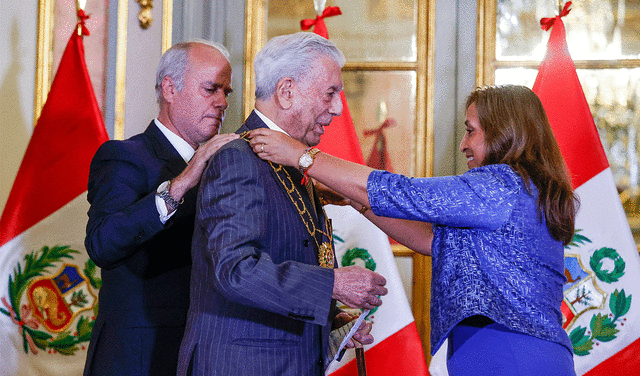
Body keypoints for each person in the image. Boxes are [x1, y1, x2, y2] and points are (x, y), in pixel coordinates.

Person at [249, 84, 578, 375]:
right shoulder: (518, 189)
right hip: (504, 354)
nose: (463, 143)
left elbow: (404, 192)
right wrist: (354, 199)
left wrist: (300, 155)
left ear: (502, 133)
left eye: (471, 131)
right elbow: (431, 240)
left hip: (511, 357)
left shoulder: (502, 184)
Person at [177, 32, 388, 376]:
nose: (337, 108)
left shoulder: (290, 159)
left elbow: (288, 257)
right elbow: (234, 270)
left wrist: (333, 321)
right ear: (287, 92)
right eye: (331, 93)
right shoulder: (238, 158)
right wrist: (333, 284)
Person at [83, 40, 239, 376]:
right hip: (139, 358)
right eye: (211, 88)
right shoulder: (125, 157)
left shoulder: (225, 167)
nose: (222, 102)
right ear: (169, 88)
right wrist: (179, 186)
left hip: (208, 353)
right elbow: (102, 243)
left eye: (226, 91)